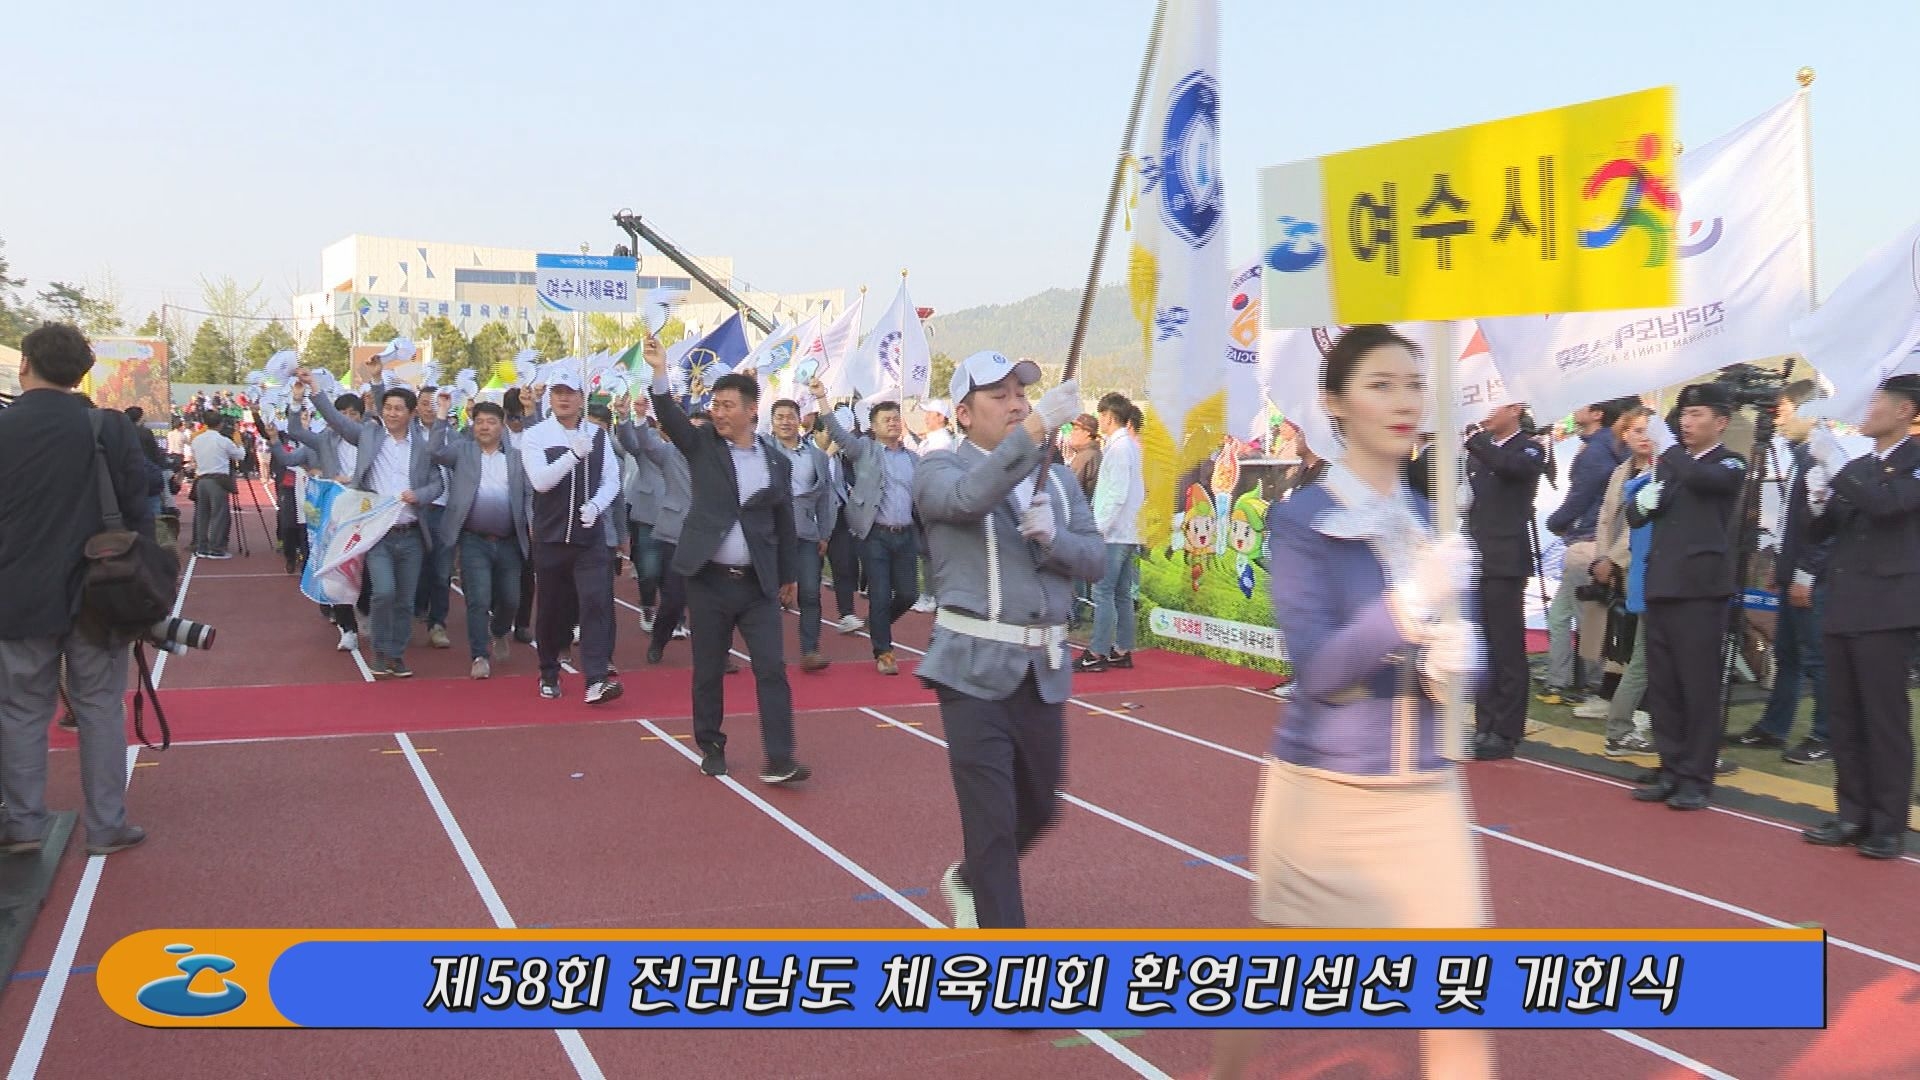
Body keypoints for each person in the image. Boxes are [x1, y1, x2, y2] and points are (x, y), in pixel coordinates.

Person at [1211, 324, 1492, 1080]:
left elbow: (1469, 651)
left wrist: (1464, 663)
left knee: (1461, 1009)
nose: (1403, 401)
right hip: (1324, 796)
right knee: (1265, 989)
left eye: (1412, 383)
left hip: (1428, 794)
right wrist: (1408, 607)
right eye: (1380, 384)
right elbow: (1322, 666)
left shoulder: (1436, 519)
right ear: (1335, 401)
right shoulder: (1303, 520)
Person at [912, 351, 1097, 929]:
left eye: (1023, 394)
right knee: (990, 817)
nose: (1017, 403)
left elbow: (1096, 559)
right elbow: (967, 500)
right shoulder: (937, 470)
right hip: (969, 668)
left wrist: (1054, 539)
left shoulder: (1059, 478)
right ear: (963, 414)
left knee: (1040, 805)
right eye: (1000, 395)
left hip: (1041, 668)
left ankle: (972, 877)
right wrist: (1038, 430)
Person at [0, 323, 150, 856]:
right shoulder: (107, 426)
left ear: (25, 365)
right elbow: (140, 507)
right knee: (100, 707)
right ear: (83, 372)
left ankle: (22, 823)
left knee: (20, 711)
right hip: (99, 592)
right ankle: (107, 825)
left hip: (16, 593)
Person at [642, 337, 808, 784]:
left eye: (727, 405)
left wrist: (789, 575)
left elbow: (785, 522)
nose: (717, 411)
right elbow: (671, 417)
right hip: (708, 580)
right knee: (709, 669)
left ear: (752, 410)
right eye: (714, 404)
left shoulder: (776, 462)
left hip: (757, 585)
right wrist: (659, 373)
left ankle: (779, 757)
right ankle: (711, 745)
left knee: (772, 668)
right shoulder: (701, 446)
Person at [1801, 375, 1920, 859]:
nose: (1867, 411)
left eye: (1876, 403)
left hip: (1887, 606)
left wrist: (1837, 466)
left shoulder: (1914, 462)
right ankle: (1852, 812)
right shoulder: (1864, 465)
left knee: (1884, 717)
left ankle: (1888, 822)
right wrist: (1818, 499)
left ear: (1906, 410)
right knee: (1845, 716)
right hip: (1846, 600)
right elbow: (1827, 529)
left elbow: (1888, 507)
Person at [1626, 383, 1745, 811]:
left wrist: (1668, 450)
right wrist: (1644, 498)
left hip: (1699, 588)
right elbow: (1636, 515)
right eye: (1684, 414)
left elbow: (1703, 479)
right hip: (1662, 583)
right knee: (1664, 686)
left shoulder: (1728, 462)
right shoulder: (1671, 465)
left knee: (1697, 685)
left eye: (1696, 415)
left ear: (1721, 422)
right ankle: (1672, 764)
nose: (1686, 422)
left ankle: (1697, 774)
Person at [308, 380, 446, 679]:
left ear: (411, 414)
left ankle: (396, 654)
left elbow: (438, 483)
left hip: (411, 533)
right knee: (384, 592)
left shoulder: (421, 447)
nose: (393, 414)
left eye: (399, 409)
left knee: (406, 600)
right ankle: (381, 651)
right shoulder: (370, 435)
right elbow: (336, 419)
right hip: (377, 533)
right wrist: (315, 390)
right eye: (388, 408)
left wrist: (419, 495)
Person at [520, 365, 622, 703]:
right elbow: (541, 481)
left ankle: (596, 677)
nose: (563, 398)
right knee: (552, 609)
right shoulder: (535, 435)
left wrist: (596, 506)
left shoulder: (598, 435)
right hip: (550, 538)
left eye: (570, 392)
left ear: (581, 397)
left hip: (589, 539)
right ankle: (548, 670)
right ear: (550, 397)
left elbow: (612, 480)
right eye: (558, 392)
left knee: (595, 603)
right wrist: (573, 455)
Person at [1463, 400, 1551, 760]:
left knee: (1506, 648)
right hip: (1477, 557)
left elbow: (1512, 470)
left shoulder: (1528, 447)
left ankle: (1506, 728)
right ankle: (1484, 724)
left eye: (1493, 406)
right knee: (1481, 650)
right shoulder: (1480, 451)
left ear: (1514, 410)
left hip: (1505, 561)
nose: (1485, 413)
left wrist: (1476, 441)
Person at [815, 379, 920, 675]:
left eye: (896, 419)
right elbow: (836, 432)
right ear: (873, 426)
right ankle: (884, 651)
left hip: (905, 534)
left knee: (908, 594)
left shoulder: (913, 459)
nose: (893, 423)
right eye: (886, 420)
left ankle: (879, 622)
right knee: (880, 592)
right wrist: (823, 398)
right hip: (874, 534)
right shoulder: (864, 450)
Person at [430, 400, 529, 680]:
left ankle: (499, 631)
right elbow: (434, 451)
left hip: (509, 539)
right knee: (478, 599)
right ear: (473, 425)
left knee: (511, 599)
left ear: (502, 426)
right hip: (474, 540)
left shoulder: (516, 457)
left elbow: (529, 494)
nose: (485, 427)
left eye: (491, 422)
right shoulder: (463, 452)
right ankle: (479, 655)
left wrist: (532, 523)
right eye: (480, 421)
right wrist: (441, 415)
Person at [768, 398, 837, 672]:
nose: (785, 421)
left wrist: (825, 533)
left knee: (810, 592)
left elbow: (825, 497)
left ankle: (810, 649)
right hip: (771, 533)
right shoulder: (762, 450)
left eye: (790, 416)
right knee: (767, 594)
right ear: (771, 422)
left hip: (806, 532)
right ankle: (769, 652)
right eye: (779, 416)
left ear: (800, 421)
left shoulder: (816, 456)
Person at [1080, 393, 1144, 672]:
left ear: (1107, 417)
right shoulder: (1127, 446)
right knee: (1120, 593)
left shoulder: (1119, 449)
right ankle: (1122, 648)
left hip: (1114, 532)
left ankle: (1098, 652)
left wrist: (1099, 529)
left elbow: (1116, 494)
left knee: (1103, 592)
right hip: (1126, 530)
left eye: (1101, 416)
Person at [189, 413, 244, 558]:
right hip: (218, 479)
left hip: (201, 480)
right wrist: (239, 443)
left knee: (202, 515)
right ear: (220, 424)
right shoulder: (223, 440)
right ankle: (216, 548)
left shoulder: (197, 439)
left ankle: (201, 547)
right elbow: (240, 455)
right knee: (219, 515)